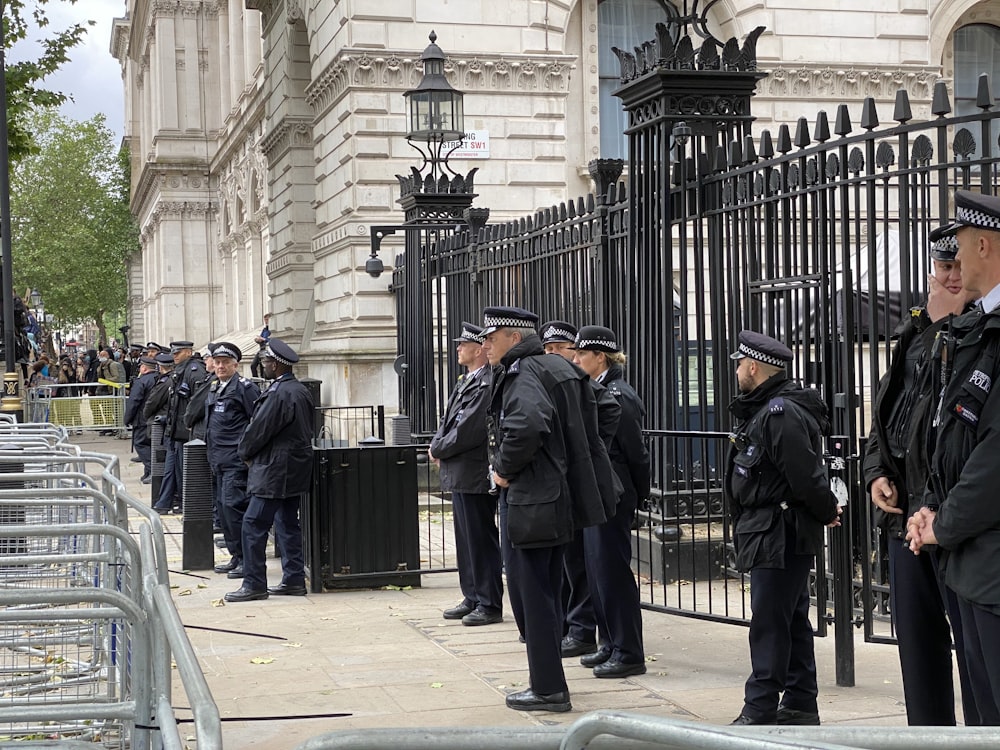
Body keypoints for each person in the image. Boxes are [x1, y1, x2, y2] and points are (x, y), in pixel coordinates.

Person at [863, 227, 979, 726]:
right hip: (905, 520)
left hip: (955, 520)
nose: (951, 277)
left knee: (977, 658)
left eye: (958, 267)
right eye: (943, 268)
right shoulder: (912, 337)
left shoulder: (979, 334)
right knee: (918, 651)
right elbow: (885, 420)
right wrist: (874, 473)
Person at [481, 305, 615, 713]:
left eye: (492, 337)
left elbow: (527, 425)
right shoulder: (559, 368)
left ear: (514, 338)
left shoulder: (526, 373)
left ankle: (548, 688)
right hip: (556, 499)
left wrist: (503, 469)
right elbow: (604, 410)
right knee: (548, 590)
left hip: (533, 500)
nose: (485, 344)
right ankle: (549, 680)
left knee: (533, 594)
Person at [907, 191, 1000, 725]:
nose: (955, 264)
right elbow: (945, 434)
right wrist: (931, 508)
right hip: (970, 559)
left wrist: (945, 521)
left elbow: (993, 461)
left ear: (983, 244)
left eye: (960, 251)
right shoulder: (977, 328)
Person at [725, 329, 840, 726]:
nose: (737, 370)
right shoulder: (767, 408)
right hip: (770, 529)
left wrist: (826, 510)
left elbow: (806, 475)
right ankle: (800, 703)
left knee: (770, 622)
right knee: (789, 619)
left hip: (779, 530)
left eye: (739, 364)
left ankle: (759, 708)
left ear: (753, 366)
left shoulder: (780, 412)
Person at [572, 325, 650, 678]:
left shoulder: (619, 395)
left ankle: (629, 651)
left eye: (580, 355)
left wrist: (639, 496)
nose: (575, 360)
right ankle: (610, 643)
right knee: (597, 572)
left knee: (614, 574)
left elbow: (636, 454)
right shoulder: (595, 389)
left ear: (599, 357)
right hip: (597, 495)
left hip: (615, 495)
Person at [226, 338, 314, 602]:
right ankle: (294, 579)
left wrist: (244, 453)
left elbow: (258, 431)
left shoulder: (279, 394)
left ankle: (254, 583)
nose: (262, 365)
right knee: (287, 523)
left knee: (253, 524)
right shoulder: (298, 390)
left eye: (264, 361)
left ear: (275, 365)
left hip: (274, 469)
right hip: (292, 468)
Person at [429, 322, 503, 626]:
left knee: (480, 538)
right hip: (459, 471)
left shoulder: (485, 383)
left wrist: (440, 448)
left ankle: (489, 601)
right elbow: (448, 420)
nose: (458, 349)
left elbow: (469, 429)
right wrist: (437, 444)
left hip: (472, 471)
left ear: (478, 350)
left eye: (463, 345)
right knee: (465, 539)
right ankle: (472, 595)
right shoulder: (465, 380)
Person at [540, 320, 600, 658]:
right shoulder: (556, 385)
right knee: (565, 564)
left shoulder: (582, 386)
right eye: (547, 350)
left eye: (559, 349)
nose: (553, 355)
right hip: (561, 489)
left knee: (579, 565)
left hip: (579, 488)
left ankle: (581, 629)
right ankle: (568, 625)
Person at [204, 342, 260, 581]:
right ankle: (236, 556)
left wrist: (246, 453)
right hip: (218, 460)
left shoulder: (245, 388)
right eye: (217, 362)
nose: (220, 366)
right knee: (225, 512)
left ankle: (247, 560)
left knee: (234, 510)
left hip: (236, 461)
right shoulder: (217, 387)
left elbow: (256, 422)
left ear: (236, 364)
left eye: (225, 362)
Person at [154, 341, 207, 514]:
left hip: (185, 432)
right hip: (176, 430)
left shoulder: (194, 371)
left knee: (185, 472)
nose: (174, 356)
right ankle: (166, 503)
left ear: (188, 352)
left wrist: (189, 424)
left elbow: (197, 402)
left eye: (177, 353)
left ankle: (185, 504)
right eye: (173, 353)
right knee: (174, 470)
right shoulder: (180, 370)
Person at [125, 356, 159, 484]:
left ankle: (152, 471)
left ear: (144, 368)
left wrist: (127, 418)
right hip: (153, 418)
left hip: (141, 419)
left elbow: (134, 401)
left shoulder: (142, 381)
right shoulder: (158, 378)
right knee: (151, 445)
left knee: (141, 444)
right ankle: (148, 472)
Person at [250, 313, 271, 379]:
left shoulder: (272, 330)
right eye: (265, 320)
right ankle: (256, 381)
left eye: (267, 319)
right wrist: (258, 339)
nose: (266, 321)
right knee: (253, 365)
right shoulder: (264, 330)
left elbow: (273, 340)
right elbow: (261, 337)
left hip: (268, 350)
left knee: (265, 368)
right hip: (261, 349)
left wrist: (264, 339)